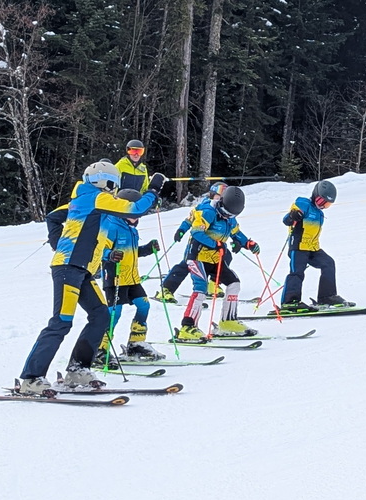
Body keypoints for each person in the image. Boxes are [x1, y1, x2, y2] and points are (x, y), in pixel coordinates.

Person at [17, 160, 166, 395]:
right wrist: (154, 189)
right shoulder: (96, 198)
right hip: (68, 268)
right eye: (113, 185)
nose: (113, 190)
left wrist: (58, 241)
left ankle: (78, 369)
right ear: (106, 183)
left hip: (82, 270)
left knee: (101, 316)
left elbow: (53, 217)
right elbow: (135, 209)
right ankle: (31, 378)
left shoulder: (86, 200)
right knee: (61, 322)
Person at [176, 186, 260, 341]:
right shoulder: (208, 211)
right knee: (201, 288)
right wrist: (216, 244)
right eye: (226, 213)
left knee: (234, 283)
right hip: (197, 257)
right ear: (221, 202)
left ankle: (228, 321)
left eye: (232, 215)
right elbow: (196, 232)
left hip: (215, 259)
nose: (228, 216)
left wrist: (248, 244)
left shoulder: (230, 218)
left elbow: (236, 233)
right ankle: (187, 327)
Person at [95, 189, 164, 368]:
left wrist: (148, 249)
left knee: (144, 305)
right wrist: (110, 255)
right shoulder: (111, 227)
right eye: (134, 213)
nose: (137, 216)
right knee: (114, 314)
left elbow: (132, 252)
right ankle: (100, 349)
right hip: (115, 278)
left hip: (132, 278)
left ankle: (136, 344)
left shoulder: (131, 229)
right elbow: (99, 250)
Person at [153, 181, 227, 304]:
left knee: (224, 258)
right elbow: (189, 220)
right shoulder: (203, 208)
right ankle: (166, 289)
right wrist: (181, 230)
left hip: (212, 246)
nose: (221, 199)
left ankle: (212, 284)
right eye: (219, 196)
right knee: (187, 265)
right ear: (212, 195)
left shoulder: (223, 211)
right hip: (197, 245)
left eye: (223, 196)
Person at [280, 180, 347, 312]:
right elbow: (286, 220)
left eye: (326, 204)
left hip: (313, 248)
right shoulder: (303, 203)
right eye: (321, 201)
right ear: (315, 195)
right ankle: (289, 302)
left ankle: (327, 297)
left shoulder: (319, 213)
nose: (322, 206)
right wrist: (293, 215)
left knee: (328, 263)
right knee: (297, 273)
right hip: (298, 247)